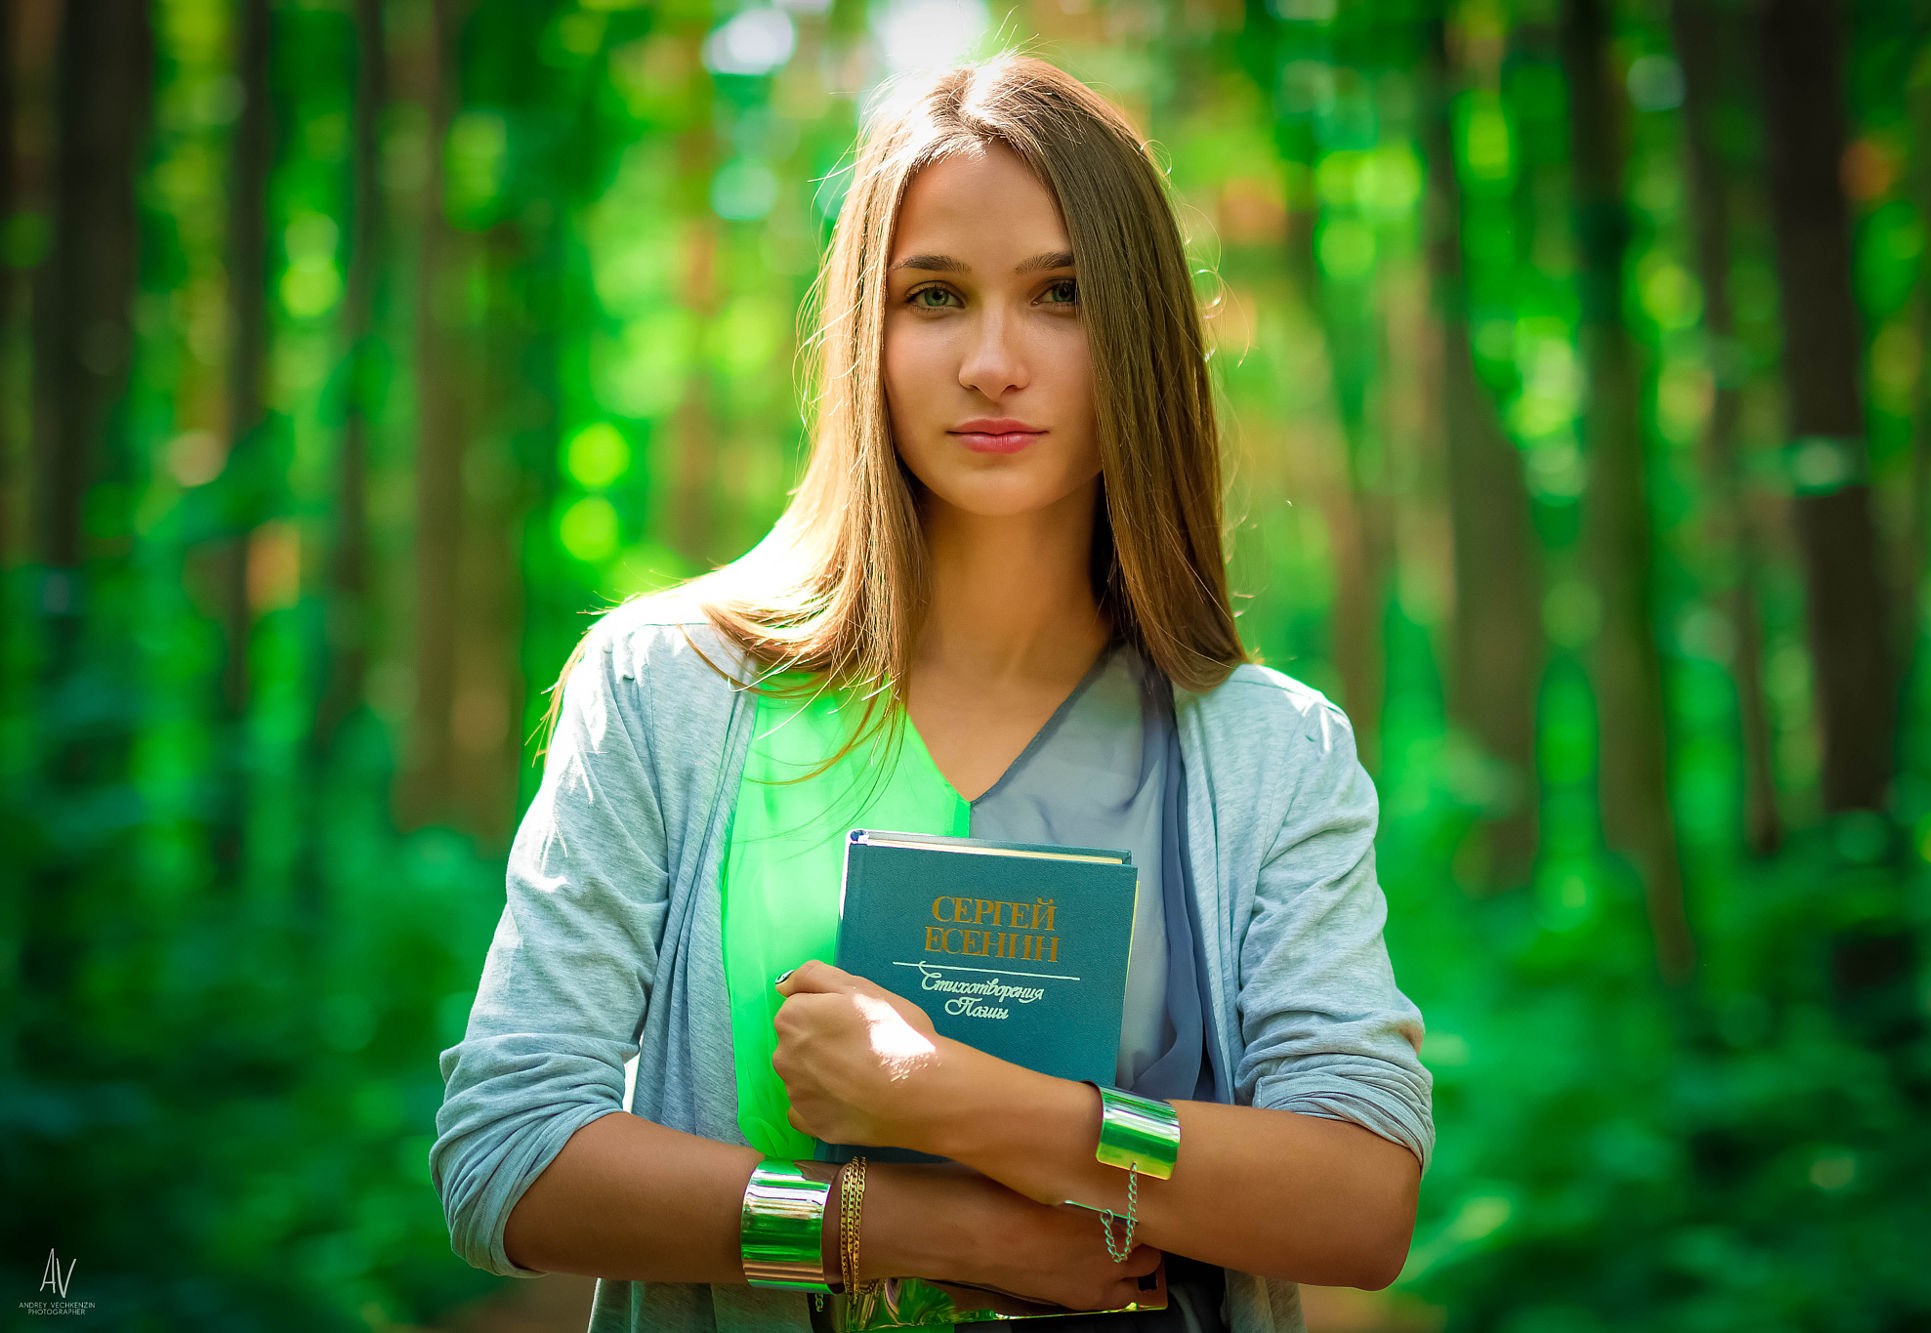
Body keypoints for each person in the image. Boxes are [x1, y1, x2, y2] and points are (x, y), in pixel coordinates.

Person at [431, 53, 1432, 1333]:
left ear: (1139, 332)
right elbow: (507, 1156)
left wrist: (953, 1098)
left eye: (1061, 294)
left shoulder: (1265, 752)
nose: (993, 361)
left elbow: (1356, 1199)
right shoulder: (668, 692)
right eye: (935, 296)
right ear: (865, 331)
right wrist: (899, 1228)